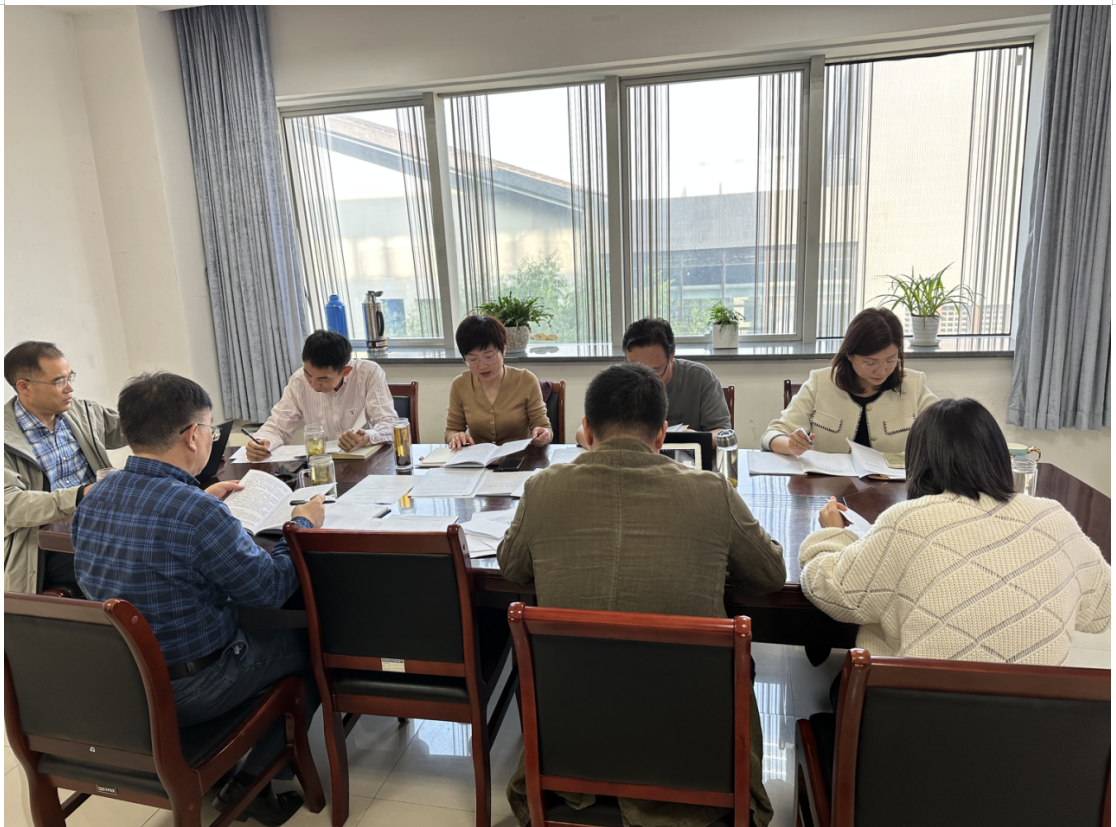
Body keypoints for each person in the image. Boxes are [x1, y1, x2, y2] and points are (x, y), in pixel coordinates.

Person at [499, 363, 787, 827]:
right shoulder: (711, 491)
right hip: (690, 758)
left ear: (587, 430)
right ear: (662, 434)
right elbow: (771, 574)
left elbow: (512, 568)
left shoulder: (542, 488)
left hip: (573, 748)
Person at [72, 372, 327, 826]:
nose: (209, 436)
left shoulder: (97, 493)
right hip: (191, 687)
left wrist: (203, 501)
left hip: (118, 680)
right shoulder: (196, 512)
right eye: (209, 428)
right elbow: (269, 590)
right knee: (314, 647)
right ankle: (253, 781)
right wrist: (302, 524)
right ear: (192, 435)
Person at [799, 398, 1110, 665]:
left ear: (918, 460)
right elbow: (1100, 612)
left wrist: (832, 535)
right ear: (999, 455)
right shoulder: (1054, 518)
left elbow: (834, 593)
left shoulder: (908, 521)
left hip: (914, 711)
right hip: (1038, 715)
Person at [4, 341, 126, 596]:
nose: (70, 388)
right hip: (44, 547)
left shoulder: (82, 412)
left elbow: (134, 430)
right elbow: (10, 507)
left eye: (70, 377)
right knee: (131, 564)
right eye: (59, 381)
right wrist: (80, 495)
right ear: (24, 386)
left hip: (98, 524)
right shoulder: (6, 437)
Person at [763, 307, 938, 455]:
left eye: (890, 360)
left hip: (896, 484)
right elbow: (772, 434)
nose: (881, 370)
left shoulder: (914, 385)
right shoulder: (820, 383)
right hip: (830, 484)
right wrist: (791, 445)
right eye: (870, 363)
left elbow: (945, 432)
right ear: (849, 355)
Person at [575, 317, 731, 447]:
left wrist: (696, 439)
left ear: (671, 358)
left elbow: (724, 434)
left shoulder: (701, 378)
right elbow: (583, 431)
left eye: (655, 370)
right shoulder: (618, 381)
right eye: (636, 369)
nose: (645, 377)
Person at [246, 329, 396, 461]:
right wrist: (262, 442)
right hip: (320, 463)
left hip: (366, 462)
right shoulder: (298, 381)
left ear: (345, 371)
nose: (313, 384)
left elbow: (389, 424)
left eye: (323, 378)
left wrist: (367, 436)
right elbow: (277, 427)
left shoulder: (368, 373)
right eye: (308, 374)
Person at [445, 315, 552, 449]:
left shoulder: (526, 380)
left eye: (489, 356)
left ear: (503, 350)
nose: (482, 366)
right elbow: (451, 430)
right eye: (472, 360)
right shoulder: (460, 384)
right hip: (479, 459)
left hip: (520, 458)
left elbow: (543, 426)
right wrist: (455, 436)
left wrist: (543, 434)